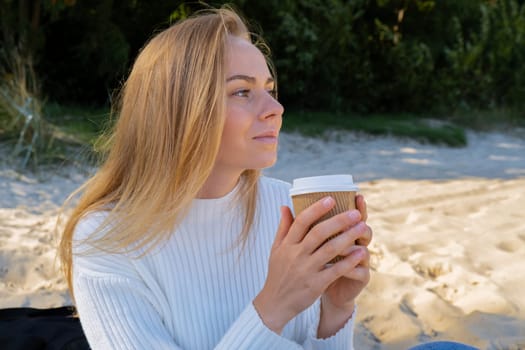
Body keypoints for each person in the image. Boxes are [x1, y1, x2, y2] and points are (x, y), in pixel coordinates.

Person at [58, 6, 373, 349]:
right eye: (242, 92)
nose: (275, 108)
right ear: (180, 109)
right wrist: (273, 307)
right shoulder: (108, 239)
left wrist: (335, 310)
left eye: (270, 89)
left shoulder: (285, 207)